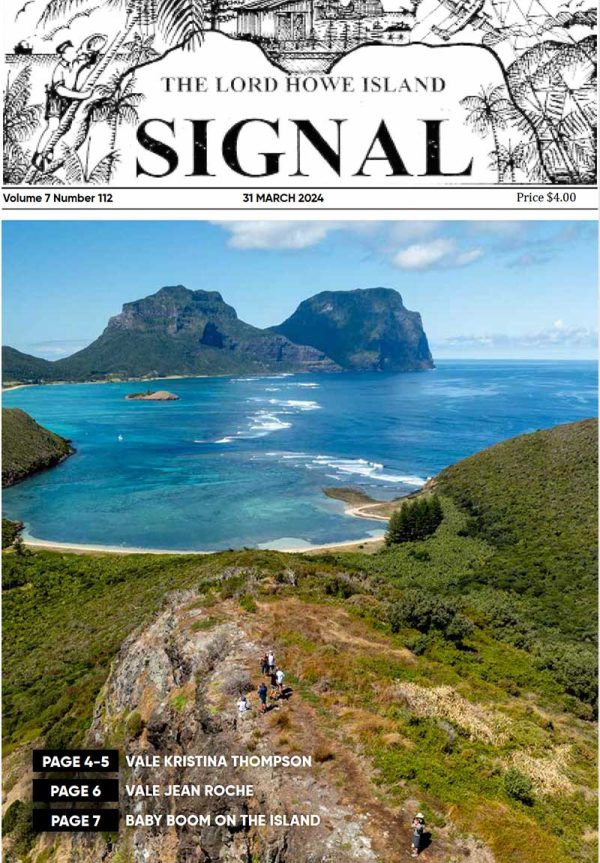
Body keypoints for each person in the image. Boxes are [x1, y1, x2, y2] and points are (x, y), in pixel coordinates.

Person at [32, 38, 98, 170]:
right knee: (53, 126)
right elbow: (60, 90)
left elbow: (90, 60)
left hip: (68, 100)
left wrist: (91, 51)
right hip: (56, 99)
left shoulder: (75, 64)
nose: (75, 54)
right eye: (72, 52)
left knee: (63, 127)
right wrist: (82, 96)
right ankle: (38, 155)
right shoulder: (59, 68)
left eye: (75, 52)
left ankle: (49, 149)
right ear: (63, 55)